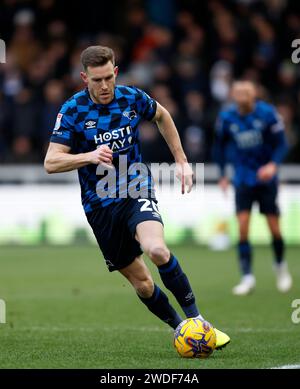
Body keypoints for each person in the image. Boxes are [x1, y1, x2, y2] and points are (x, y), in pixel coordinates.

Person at [44, 46, 230, 348]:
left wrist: (181, 161)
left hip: (134, 188)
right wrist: (89, 156)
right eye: (96, 80)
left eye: (108, 78)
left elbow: (162, 115)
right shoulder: (72, 110)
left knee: (156, 249)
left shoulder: (132, 98)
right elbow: (51, 162)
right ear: (84, 78)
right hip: (100, 205)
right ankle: (181, 328)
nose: (104, 86)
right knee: (143, 284)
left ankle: (198, 321)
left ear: (115, 72)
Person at [214, 80, 293, 295]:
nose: (241, 96)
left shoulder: (268, 114)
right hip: (242, 179)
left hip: (265, 179)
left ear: (254, 95)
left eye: (245, 93)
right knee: (242, 227)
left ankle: (280, 267)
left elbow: (282, 144)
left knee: (274, 228)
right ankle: (247, 277)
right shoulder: (227, 118)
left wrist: (273, 165)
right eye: (237, 92)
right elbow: (219, 147)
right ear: (233, 95)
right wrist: (222, 175)